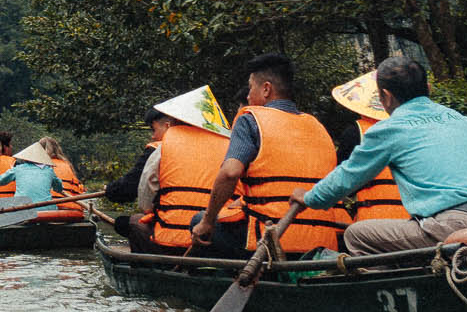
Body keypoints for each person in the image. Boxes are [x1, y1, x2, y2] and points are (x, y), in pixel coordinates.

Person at [291, 56, 467, 254]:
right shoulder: (460, 119)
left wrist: (309, 198)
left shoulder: (389, 129)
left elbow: (346, 178)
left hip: (456, 225)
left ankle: (390, 301)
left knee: (356, 235)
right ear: (428, 89)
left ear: (386, 96)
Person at [190, 54, 350, 256]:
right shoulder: (318, 127)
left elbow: (230, 173)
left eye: (250, 88)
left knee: (199, 221)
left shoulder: (250, 120)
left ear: (266, 89)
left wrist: (208, 220)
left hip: (267, 242)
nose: (248, 96)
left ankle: (231, 278)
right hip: (320, 241)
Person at [129, 85, 243, 255]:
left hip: (170, 243)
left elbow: (145, 203)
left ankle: (149, 269)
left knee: (135, 222)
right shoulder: (235, 148)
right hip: (214, 241)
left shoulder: (163, 147)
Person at [328, 70, 409, 223]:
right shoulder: (413, 129)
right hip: (416, 221)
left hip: (373, 223)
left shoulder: (356, 132)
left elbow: (339, 182)